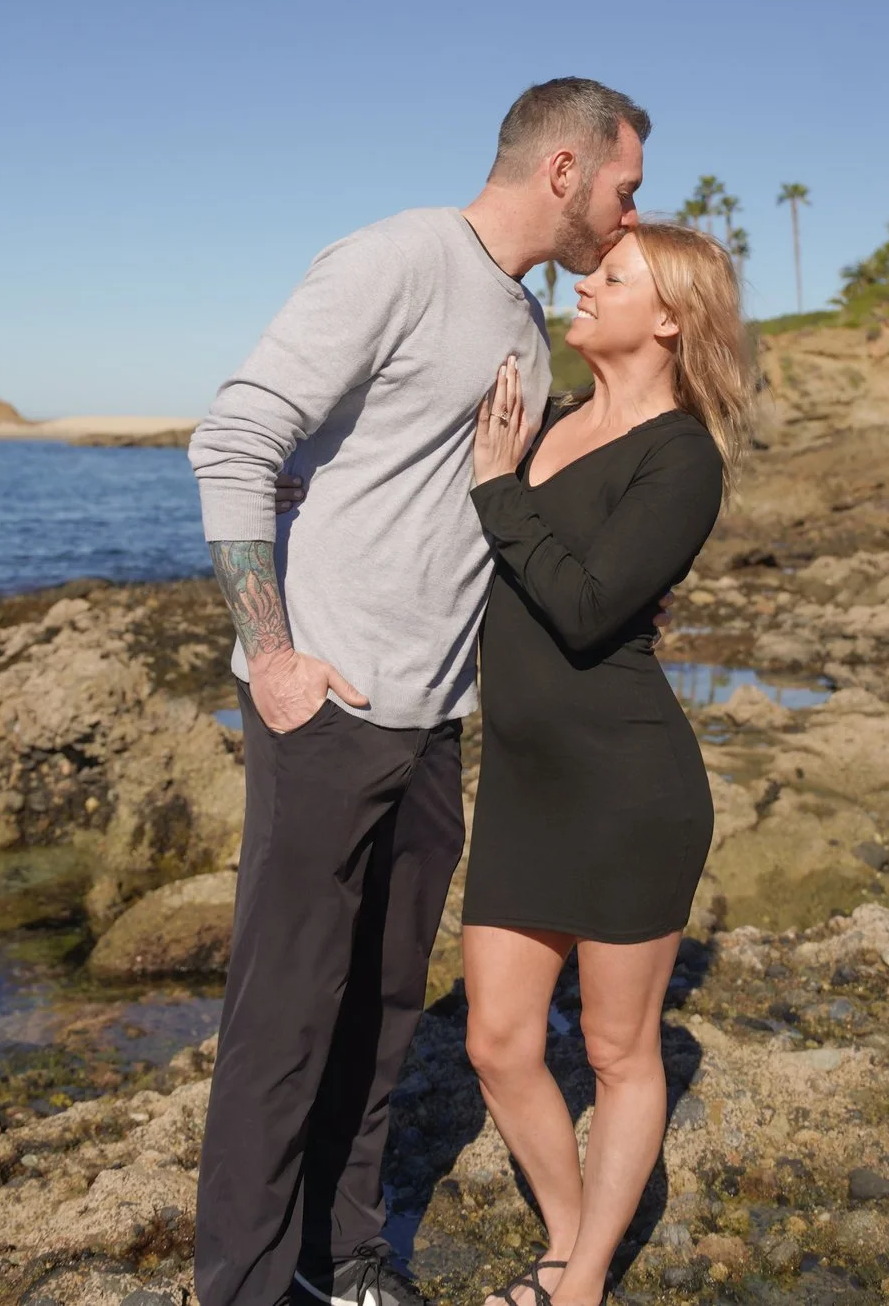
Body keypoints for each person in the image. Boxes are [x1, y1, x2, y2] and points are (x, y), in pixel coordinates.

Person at [185, 78, 649, 1306]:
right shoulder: (394, 257)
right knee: (283, 1021)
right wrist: (274, 656)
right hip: (326, 711)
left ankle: (338, 1259)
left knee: (384, 1012)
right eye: (624, 184)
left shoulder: (527, 317)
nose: (630, 209)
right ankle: (236, 1287)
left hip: (432, 723)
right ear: (564, 170)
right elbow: (235, 440)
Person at [459, 223, 754, 1306]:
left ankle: (574, 1284)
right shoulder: (552, 419)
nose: (581, 282)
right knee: (496, 1040)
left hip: (628, 788)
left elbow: (586, 609)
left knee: (620, 1049)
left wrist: (499, 489)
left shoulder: (681, 456)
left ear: (668, 316)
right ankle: (576, 1235)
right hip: (525, 785)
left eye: (611, 277)